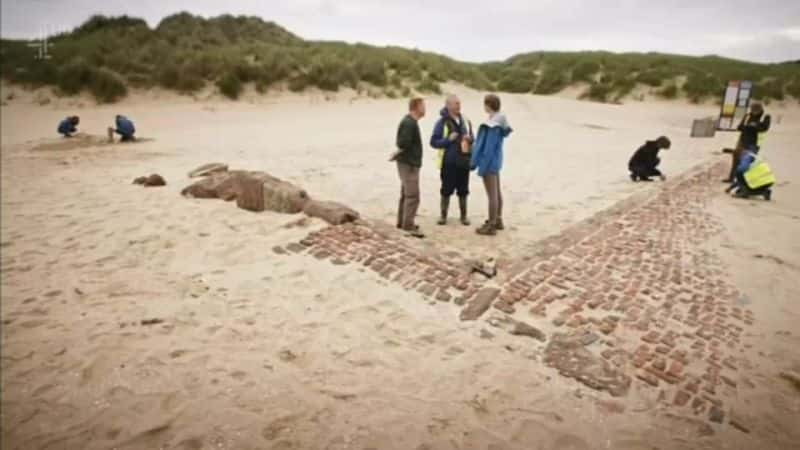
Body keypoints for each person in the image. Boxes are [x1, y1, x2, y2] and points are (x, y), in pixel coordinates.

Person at [471, 94, 512, 236]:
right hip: (496, 160)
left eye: (485, 104)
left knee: (492, 195)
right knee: (496, 192)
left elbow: (488, 148)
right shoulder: (499, 120)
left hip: (489, 163)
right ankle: (498, 220)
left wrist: (481, 166)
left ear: (488, 105)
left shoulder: (492, 124)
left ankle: (491, 225)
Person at [430, 95, 473, 226]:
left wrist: (470, 139)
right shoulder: (441, 122)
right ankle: (443, 216)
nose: (459, 106)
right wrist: (448, 140)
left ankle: (464, 216)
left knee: (463, 190)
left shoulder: (466, 120)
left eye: (459, 103)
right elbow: (433, 142)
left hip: (464, 161)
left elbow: (473, 138)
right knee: (446, 190)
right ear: (448, 105)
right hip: (449, 162)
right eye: (456, 104)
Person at [390, 97, 426, 238]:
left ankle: (402, 222)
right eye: (423, 106)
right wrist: (400, 152)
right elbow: (402, 143)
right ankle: (408, 226)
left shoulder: (410, 122)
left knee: (406, 194)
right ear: (416, 107)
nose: (425, 109)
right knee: (412, 196)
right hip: (409, 164)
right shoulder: (409, 123)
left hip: (408, 163)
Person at [723, 102, 771, 183]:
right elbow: (740, 127)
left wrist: (755, 125)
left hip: (754, 143)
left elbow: (764, 128)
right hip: (742, 140)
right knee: (736, 159)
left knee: (747, 162)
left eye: (756, 110)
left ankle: (744, 180)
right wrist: (747, 127)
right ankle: (732, 178)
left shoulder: (765, 117)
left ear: (760, 110)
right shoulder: (747, 116)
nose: (754, 112)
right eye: (753, 110)